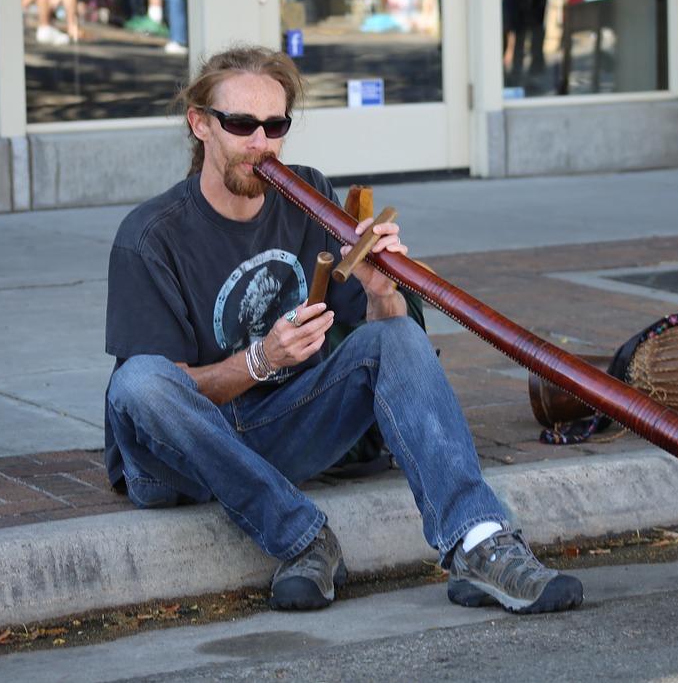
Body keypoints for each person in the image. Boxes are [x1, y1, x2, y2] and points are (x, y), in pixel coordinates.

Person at [103, 45, 583, 615]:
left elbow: (383, 341)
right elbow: (165, 391)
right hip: (178, 458)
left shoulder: (307, 194)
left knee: (397, 336)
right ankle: (304, 539)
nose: (261, 143)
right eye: (240, 125)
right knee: (136, 383)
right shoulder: (151, 235)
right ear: (201, 124)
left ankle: (478, 542)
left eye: (275, 125)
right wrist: (260, 360)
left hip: (281, 427)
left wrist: (384, 293)